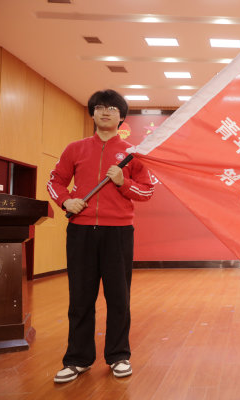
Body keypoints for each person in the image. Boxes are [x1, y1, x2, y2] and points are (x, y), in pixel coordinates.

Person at [47, 89, 154, 383]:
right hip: (80, 231)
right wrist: (66, 201)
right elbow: (55, 181)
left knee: (118, 297)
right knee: (80, 297)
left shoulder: (133, 154)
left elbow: (147, 191)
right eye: (100, 107)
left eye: (112, 108)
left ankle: (118, 355)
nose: (106, 112)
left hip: (118, 233)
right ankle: (77, 359)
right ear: (93, 113)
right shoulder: (75, 149)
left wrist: (123, 182)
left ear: (121, 117)